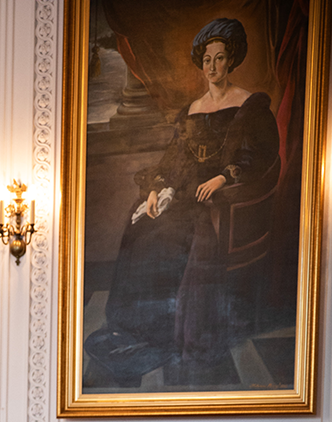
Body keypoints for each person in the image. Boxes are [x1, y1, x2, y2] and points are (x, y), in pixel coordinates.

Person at [86, 18, 280, 387]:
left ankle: (168, 332)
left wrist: (224, 177)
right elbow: (173, 161)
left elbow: (262, 154)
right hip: (183, 197)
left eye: (219, 58)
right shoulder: (192, 109)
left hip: (215, 201)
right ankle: (132, 328)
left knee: (173, 239)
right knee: (140, 227)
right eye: (207, 60)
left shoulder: (249, 106)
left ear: (231, 60)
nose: (212, 67)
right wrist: (157, 188)